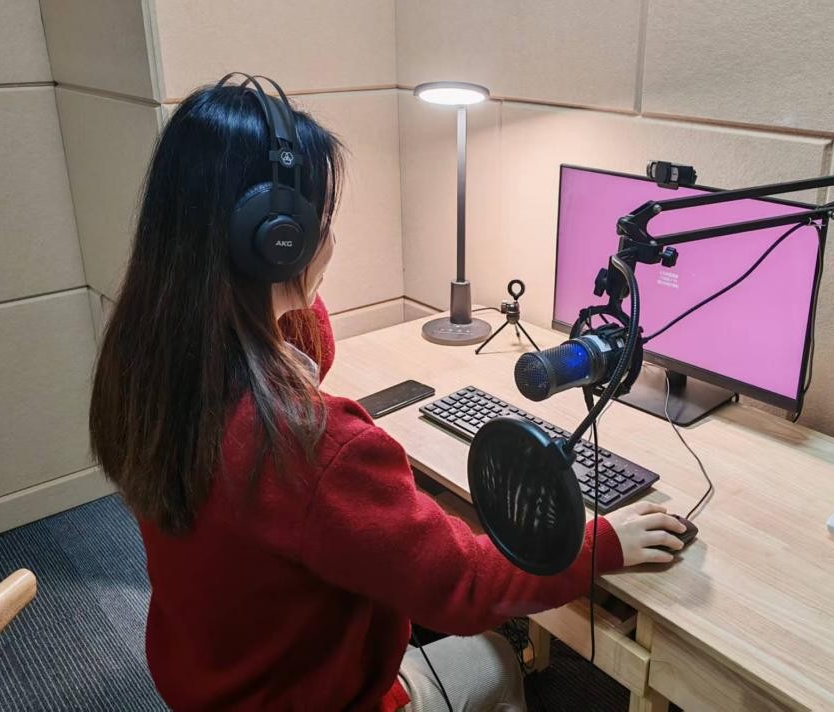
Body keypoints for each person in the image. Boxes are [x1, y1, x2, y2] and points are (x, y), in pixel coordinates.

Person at [89, 74, 688, 712]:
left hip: (218, 678)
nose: (330, 243)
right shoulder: (313, 447)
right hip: (322, 698)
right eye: (320, 225)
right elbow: (466, 587)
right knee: (494, 655)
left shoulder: (146, 367)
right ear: (276, 245)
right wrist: (602, 545)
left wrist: (282, 289)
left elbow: (312, 359)